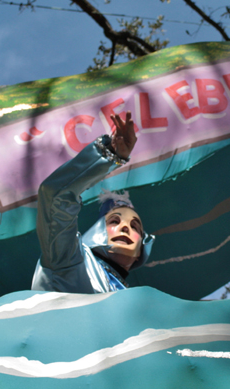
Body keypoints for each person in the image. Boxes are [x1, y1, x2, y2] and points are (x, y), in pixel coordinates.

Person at [32, 112, 155, 293]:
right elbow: (55, 195)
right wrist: (110, 155)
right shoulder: (69, 259)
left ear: (141, 251)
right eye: (114, 221)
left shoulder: (138, 303)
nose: (125, 228)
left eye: (136, 227)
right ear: (96, 230)